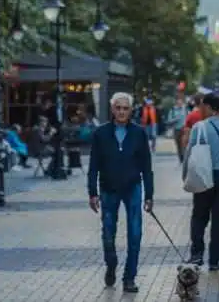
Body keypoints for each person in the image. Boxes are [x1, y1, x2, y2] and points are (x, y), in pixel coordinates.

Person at [88, 92, 154, 294]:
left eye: (126, 108)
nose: (122, 112)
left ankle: (129, 277)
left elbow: (146, 166)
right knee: (108, 233)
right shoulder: (100, 134)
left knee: (135, 233)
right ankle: (111, 263)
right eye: (118, 108)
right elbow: (93, 165)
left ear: (131, 110)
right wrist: (92, 192)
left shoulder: (139, 133)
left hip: (133, 187)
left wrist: (149, 194)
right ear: (112, 109)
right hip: (108, 188)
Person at [186, 93, 219, 271]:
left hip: (203, 176)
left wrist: (185, 175)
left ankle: (196, 254)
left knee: (199, 216)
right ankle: (215, 260)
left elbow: (189, 154)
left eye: (202, 106)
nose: (200, 109)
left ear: (209, 107)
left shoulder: (198, 128)